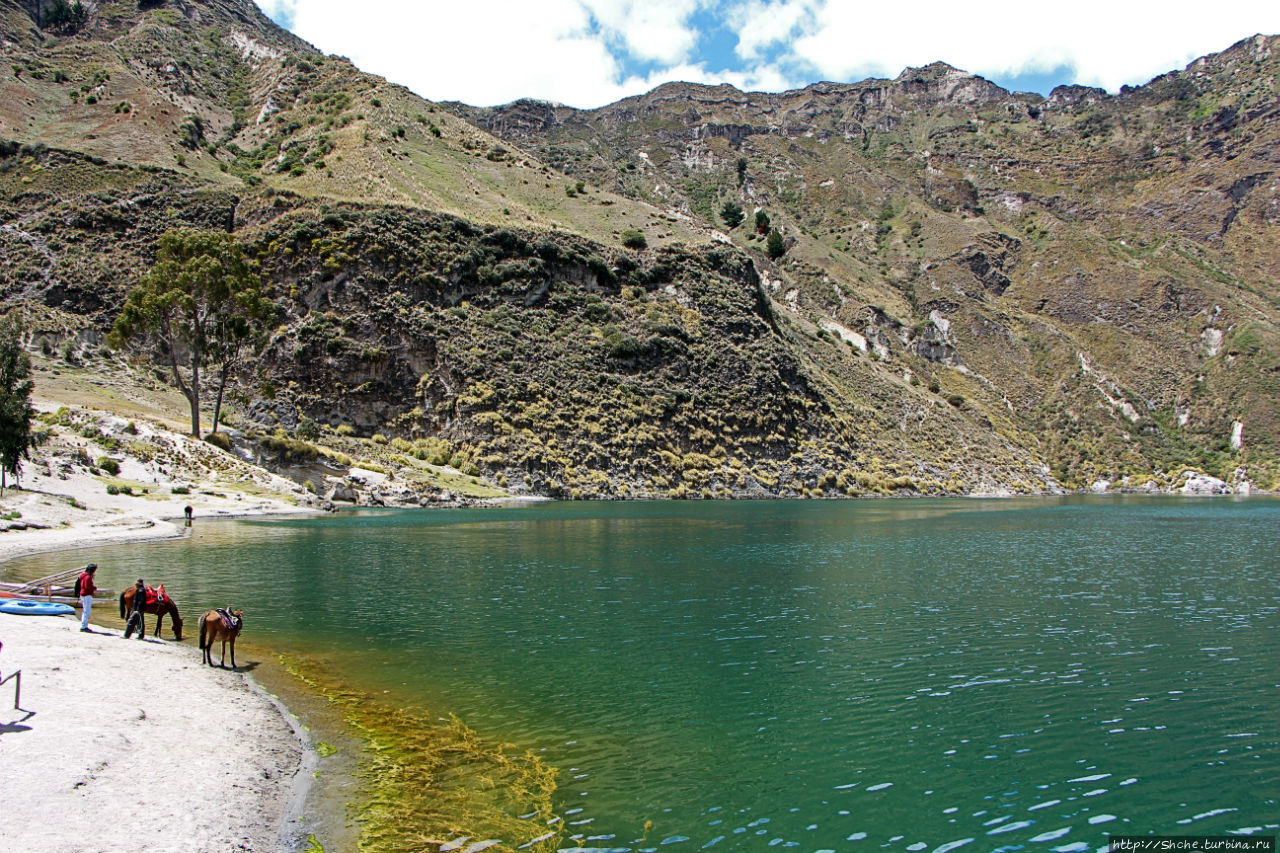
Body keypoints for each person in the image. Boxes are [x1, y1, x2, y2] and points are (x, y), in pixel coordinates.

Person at [76, 564, 98, 632]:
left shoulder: (82, 575)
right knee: (87, 611)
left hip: (82, 594)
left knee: (85, 610)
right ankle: (83, 627)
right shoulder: (88, 577)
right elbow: (88, 587)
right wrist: (94, 588)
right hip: (86, 595)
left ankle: (84, 625)